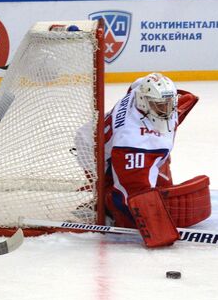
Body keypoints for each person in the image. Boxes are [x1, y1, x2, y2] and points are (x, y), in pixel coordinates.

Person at [74, 73, 210, 248]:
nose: (167, 110)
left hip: (106, 136)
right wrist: (153, 226)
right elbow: (130, 194)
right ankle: (104, 207)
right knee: (121, 196)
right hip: (92, 149)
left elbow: (143, 83)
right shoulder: (134, 141)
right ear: (144, 103)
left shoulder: (140, 89)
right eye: (160, 106)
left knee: (157, 178)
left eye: (169, 104)